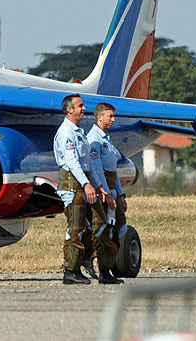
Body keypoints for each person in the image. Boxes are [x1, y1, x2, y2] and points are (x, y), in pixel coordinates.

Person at [53, 94, 121, 285]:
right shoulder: (66, 133)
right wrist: (86, 184)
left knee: (98, 224)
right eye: (80, 106)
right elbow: (73, 163)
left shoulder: (79, 132)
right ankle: (70, 271)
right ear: (69, 109)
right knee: (76, 228)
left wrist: (100, 187)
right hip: (72, 186)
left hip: (84, 185)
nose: (84, 109)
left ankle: (95, 265)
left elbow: (90, 163)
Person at [87, 102, 128, 284]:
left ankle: (106, 266)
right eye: (110, 116)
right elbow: (97, 170)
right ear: (99, 117)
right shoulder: (93, 140)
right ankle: (102, 269)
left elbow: (113, 170)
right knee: (104, 229)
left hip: (111, 190)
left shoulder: (106, 138)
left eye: (113, 116)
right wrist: (107, 194)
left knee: (118, 226)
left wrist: (120, 194)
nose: (113, 120)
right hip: (103, 192)